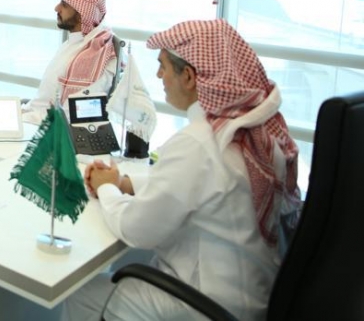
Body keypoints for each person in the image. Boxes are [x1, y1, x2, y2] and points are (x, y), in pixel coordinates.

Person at [63, 19, 301, 321]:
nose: (159, 75)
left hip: (203, 305)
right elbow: (193, 182)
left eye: (163, 66)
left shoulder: (199, 143)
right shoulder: (253, 132)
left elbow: (136, 229)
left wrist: (105, 187)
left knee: (81, 294)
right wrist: (124, 182)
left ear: (188, 76)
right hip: (253, 298)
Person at [23, 0, 117, 124]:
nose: (57, 8)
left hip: (46, 126)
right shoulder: (75, 42)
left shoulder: (99, 52)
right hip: (32, 115)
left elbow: (71, 115)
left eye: (64, 5)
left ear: (82, 13)